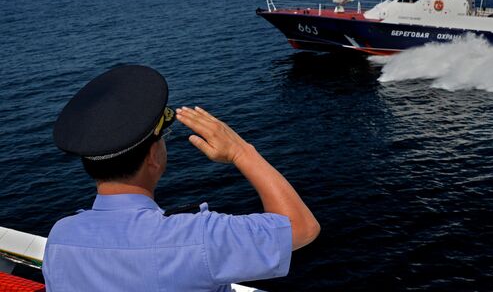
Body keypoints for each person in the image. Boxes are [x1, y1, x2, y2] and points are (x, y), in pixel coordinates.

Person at [43, 65, 319, 291]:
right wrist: (241, 152)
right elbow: (302, 228)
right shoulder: (196, 239)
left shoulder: (61, 237)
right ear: (153, 156)